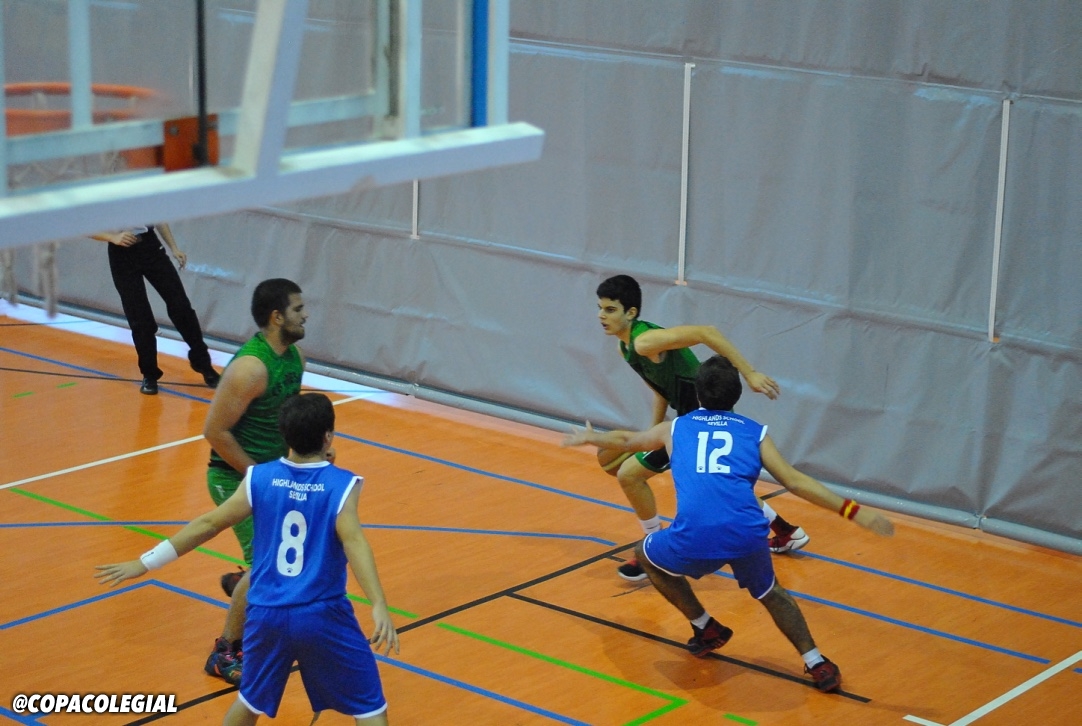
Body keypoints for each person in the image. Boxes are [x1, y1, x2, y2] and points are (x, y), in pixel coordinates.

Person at [563, 355, 893, 693]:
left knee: (644, 554)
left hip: (694, 535)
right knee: (772, 593)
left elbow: (626, 442)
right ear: (736, 395)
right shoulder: (755, 432)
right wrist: (854, 511)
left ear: (698, 394)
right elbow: (795, 482)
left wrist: (591, 437)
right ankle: (817, 662)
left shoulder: (676, 428)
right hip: (747, 534)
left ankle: (705, 626)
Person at [97, 392, 398, 724]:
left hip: (266, 615)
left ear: (285, 437)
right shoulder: (341, 484)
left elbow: (208, 524)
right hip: (321, 614)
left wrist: (145, 562)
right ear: (328, 436)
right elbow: (354, 543)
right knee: (369, 707)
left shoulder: (259, 478)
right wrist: (378, 603)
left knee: (249, 702)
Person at [595, 274, 806, 582]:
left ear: (631, 312)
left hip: (701, 421)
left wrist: (750, 373)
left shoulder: (644, 341)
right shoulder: (625, 348)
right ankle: (786, 531)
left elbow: (707, 332)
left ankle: (651, 551)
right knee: (724, 488)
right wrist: (650, 434)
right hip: (691, 421)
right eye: (600, 308)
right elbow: (660, 390)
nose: (602, 315)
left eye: (610, 309)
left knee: (630, 475)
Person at [201, 278, 308, 686]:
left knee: (288, 553)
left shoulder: (294, 357)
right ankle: (224, 651)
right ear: (277, 317)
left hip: (269, 475)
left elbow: (285, 419)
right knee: (268, 565)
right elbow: (215, 432)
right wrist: (259, 477)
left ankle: (240, 584)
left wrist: (309, 453)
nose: (305, 315)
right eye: (298, 309)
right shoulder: (250, 368)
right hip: (234, 477)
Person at [90, 224, 220, 395]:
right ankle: (149, 374)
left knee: (181, 307)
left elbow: (158, 219)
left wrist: (174, 248)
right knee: (139, 317)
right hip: (121, 254)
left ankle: (204, 364)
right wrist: (112, 237)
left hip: (149, 247)